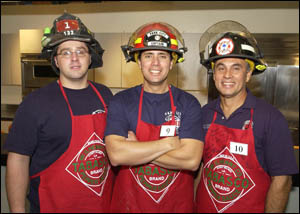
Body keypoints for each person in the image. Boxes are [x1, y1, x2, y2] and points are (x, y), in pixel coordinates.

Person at [4, 13, 114, 213]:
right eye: (65, 52)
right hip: (52, 206)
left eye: (81, 51)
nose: (74, 58)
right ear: (55, 60)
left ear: (90, 57)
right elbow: (18, 161)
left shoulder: (105, 95)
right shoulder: (35, 103)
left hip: (101, 206)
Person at [195, 20, 299, 213]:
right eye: (220, 67)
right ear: (214, 74)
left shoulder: (271, 119)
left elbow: (282, 180)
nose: (227, 75)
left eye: (236, 68)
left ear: (248, 74)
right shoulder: (204, 114)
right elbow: (201, 168)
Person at [104, 22, 204, 213]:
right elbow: (116, 156)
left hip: (175, 208)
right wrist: (167, 144)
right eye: (148, 56)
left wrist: (135, 150)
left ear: (172, 62)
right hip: (129, 207)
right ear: (139, 62)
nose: (155, 63)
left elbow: (191, 160)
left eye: (163, 56)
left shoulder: (189, 103)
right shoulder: (121, 102)